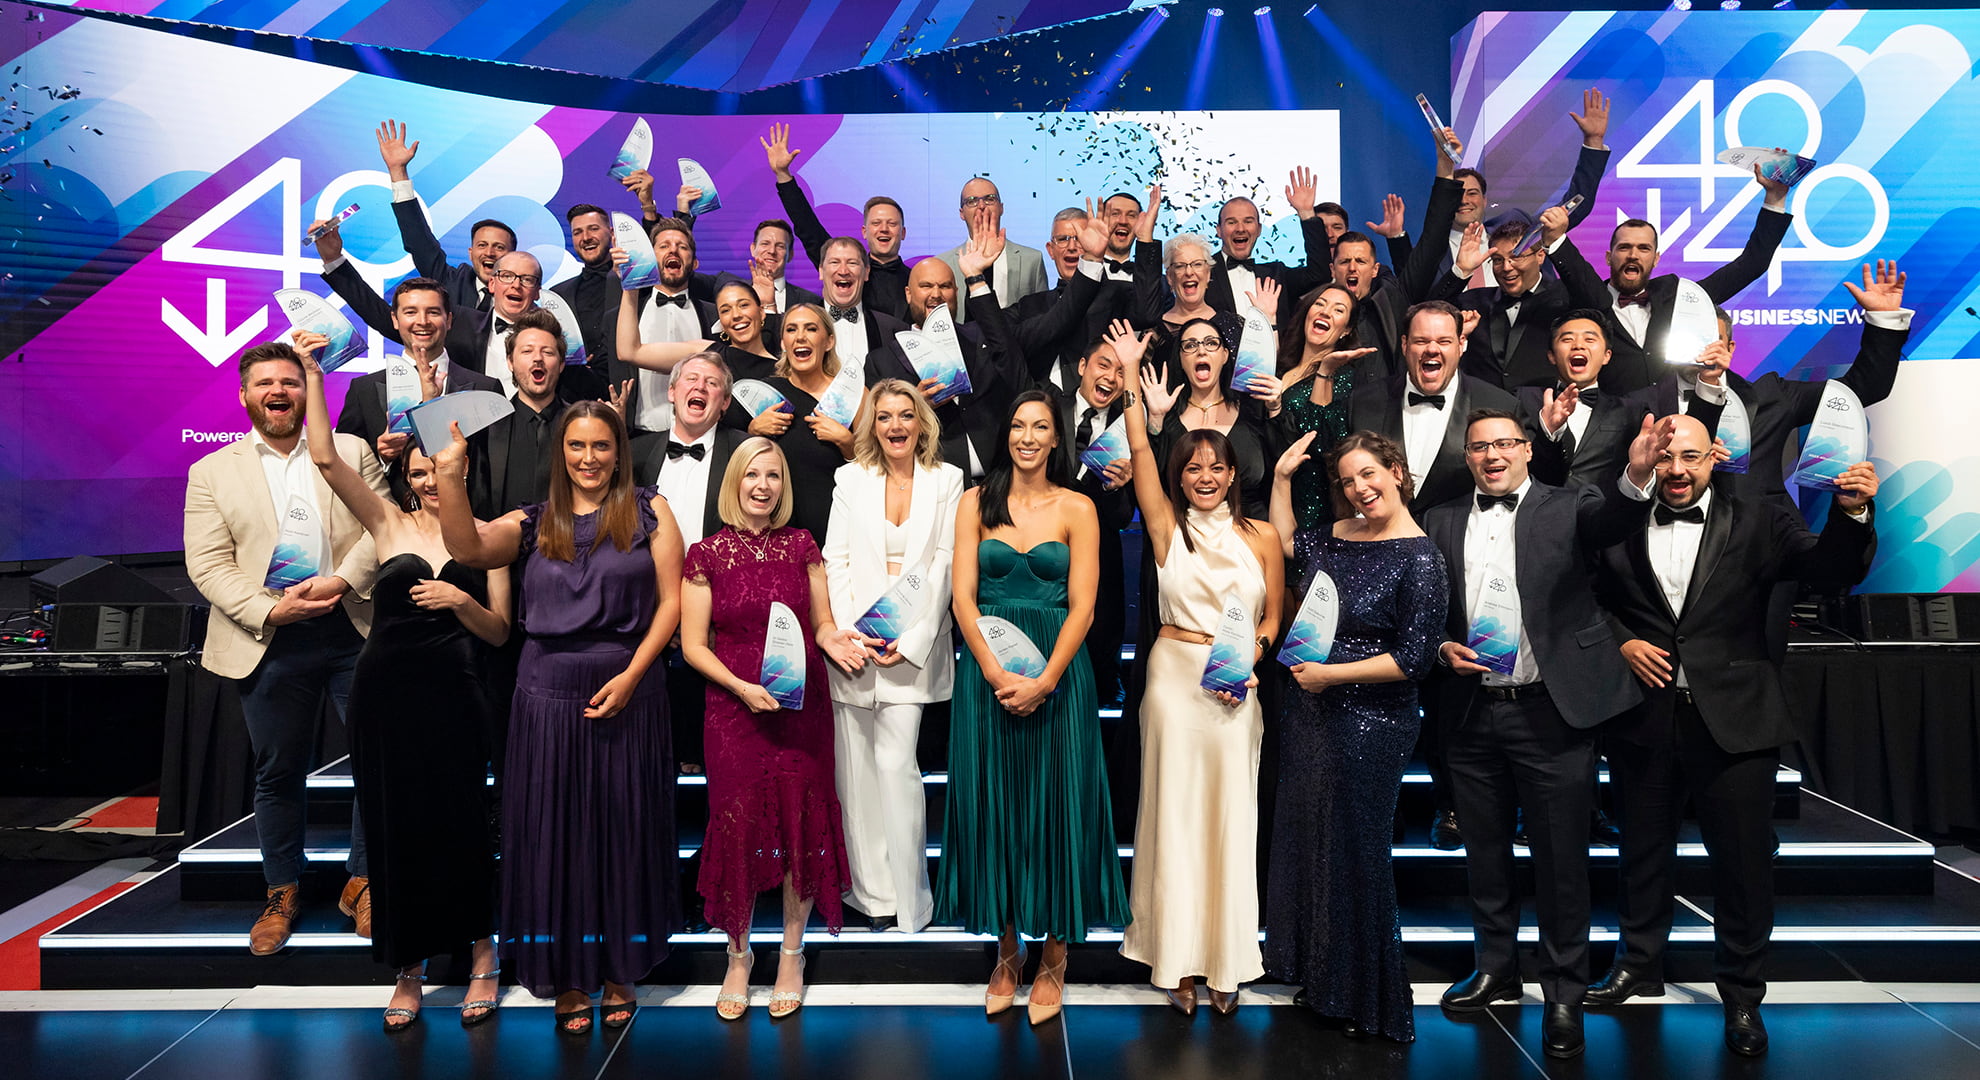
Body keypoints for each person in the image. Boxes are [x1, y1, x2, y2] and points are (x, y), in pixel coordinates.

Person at [1588, 415, 1879, 1058]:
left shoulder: (1761, 518)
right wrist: (1622, 641)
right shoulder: (1618, 517)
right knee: (1641, 851)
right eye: (1665, 459)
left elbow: (1827, 569)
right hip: (1643, 715)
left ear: (1714, 457)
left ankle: (1743, 994)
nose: (1677, 471)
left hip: (1738, 718)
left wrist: (1852, 512)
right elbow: (1579, 594)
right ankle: (1638, 965)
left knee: (1744, 865)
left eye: (1690, 457)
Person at [433, 400, 684, 1037]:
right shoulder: (531, 519)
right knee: (557, 832)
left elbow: (673, 604)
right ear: (561, 452)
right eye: (577, 446)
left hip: (631, 685)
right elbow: (466, 545)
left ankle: (619, 965)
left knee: (623, 829)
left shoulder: (652, 512)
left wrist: (631, 677)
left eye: (602, 446)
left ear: (619, 452)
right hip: (544, 694)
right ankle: (570, 973)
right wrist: (452, 476)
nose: (589, 458)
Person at [1423, 407, 1665, 1061]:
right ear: (1467, 457)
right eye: (1479, 446)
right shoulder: (1439, 518)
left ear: (1528, 450)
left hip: (1553, 711)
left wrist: (1637, 474)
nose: (1492, 454)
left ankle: (1564, 992)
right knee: (1486, 856)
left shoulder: (1572, 504)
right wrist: (1441, 645)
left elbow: (1616, 520)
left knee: (1563, 862)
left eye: (1504, 443)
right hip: (1472, 714)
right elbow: (1425, 609)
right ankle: (1497, 971)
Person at [296, 334, 505, 1031]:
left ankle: (481, 956)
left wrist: (461, 603)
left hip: (456, 699)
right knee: (394, 832)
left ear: (459, 470)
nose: (426, 479)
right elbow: (326, 456)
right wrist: (310, 371)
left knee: (464, 828)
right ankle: (407, 968)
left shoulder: (490, 535)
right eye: (417, 470)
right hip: (384, 698)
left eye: (439, 468)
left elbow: (501, 631)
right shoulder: (384, 525)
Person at [183, 341, 382, 953]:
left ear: (307, 391)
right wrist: (274, 607)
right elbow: (208, 565)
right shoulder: (211, 472)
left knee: (376, 759)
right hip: (268, 636)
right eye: (265, 383)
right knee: (278, 771)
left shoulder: (348, 451)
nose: (278, 392)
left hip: (353, 626)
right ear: (243, 395)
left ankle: (364, 880)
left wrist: (344, 579)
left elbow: (383, 526)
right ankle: (282, 889)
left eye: (290, 383)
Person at [938, 390, 1127, 1025]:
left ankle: (1054, 954)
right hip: (986, 675)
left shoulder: (1079, 506)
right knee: (996, 806)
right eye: (1018, 425)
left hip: (1058, 673)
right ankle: (1006, 950)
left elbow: (1085, 608)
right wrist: (991, 670)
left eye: (1039, 426)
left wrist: (1046, 679)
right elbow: (962, 598)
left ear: (1055, 439)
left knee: (1056, 805)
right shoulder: (975, 502)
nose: (1026, 435)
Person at [1114, 323, 1284, 1016]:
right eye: (1193, 469)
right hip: (1174, 679)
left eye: (1216, 468)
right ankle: (1175, 960)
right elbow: (1138, 451)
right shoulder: (1165, 527)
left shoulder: (1263, 536)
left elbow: (1276, 616)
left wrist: (1252, 656)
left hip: (1236, 685)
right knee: (1173, 817)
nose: (1205, 477)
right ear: (1180, 476)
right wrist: (1131, 378)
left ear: (1233, 473)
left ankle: (1226, 962)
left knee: (1230, 818)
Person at [1263, 429, 1448, 1041]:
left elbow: (1415, 658)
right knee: (1316, 844)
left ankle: (1369, 998)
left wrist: (1329, 677)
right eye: (1347, 481)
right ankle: (1325, 981)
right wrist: (1285, 479)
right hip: (1312, 713)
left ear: (1396, 471)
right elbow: (1290, 544)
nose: (1360, 489)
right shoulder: (1337, 537)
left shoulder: (1421, 556)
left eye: (1369, 474)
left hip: (1374, 719)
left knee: (1358, 853)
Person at [680, 437, 868, 1020]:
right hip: (733, 709)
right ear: (734, 481)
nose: (764, 486)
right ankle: (738, 957)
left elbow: (823, 624)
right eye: (753, 475)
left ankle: (791, 953)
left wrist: (842, 640)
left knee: (799, 825)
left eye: (775, 477)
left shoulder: (803, 546)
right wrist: (740, 688)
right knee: (736, 827)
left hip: (799, 709)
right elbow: (691, 645)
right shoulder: (705, 554)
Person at [822, 381, 964, 933]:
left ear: (921, 422)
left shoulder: (947, 480)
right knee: (855, 775)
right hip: (855, 647)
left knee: (895, 767)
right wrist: (853, 632)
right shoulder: (850, 479)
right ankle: (872, 896)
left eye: (907, 415)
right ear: (872, 425)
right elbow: (836, 559)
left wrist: (904, 640)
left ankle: (912, 902)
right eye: (885, 417)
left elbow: (944, 567)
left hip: (912, 649)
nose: (897, 426)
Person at [1542, 164, 1794, 395]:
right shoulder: (1587, 301)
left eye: (1643, 248)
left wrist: (1775, 198)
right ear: (1608, 257)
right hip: (1608, 431)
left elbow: (1751, 265)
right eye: (1624, 247)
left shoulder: (1679, 296)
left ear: (1656, 259)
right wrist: (1554, 238)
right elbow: (1577, 274)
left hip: (1674, 428)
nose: (1633, 255)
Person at [630, 351, 747, 779]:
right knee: (647, 752)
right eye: (691, 379)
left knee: (719, 755)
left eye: (712, 383)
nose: (700, 387)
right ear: (672, 391)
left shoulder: (744, 453)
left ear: (726, 401)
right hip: (642, 618)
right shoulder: (635, 452)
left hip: (720, 622)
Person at [1382, 87, 1612, 288]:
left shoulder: (1515, 230)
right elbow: (1408, 289)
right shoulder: (1431, 251)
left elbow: (1574, 207)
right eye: (1457, 195)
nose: (1464, 201)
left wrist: (1593, 141)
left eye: (1472, 193)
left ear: (1484, 200)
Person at [866, 225, 1025, 485]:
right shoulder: (881, 360)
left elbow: (1013, 366)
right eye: (926, 286)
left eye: (945, 286)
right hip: (933, 486)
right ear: (908, 294)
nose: (936, 294)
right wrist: (916, 406)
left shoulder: (981, 337)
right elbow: (876, 431)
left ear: (957, 293)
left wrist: (975, 277)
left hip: (1001, 480)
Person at [329, 277, 501, 467]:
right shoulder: (363, 390)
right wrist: (380, 456)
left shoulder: (486, 389)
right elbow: (343, 466)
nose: (422, 321)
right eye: (410, 312)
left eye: (433, 312)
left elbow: (495, 471)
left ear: (449, 320)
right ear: (395, 319)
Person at [1142, 295, 1285, 520]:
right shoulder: (1166, 415)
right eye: (1190, 345)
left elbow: (1283, 466)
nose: (1201, 351)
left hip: (1250, 534)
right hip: (1184, 536)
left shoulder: (1253, 409)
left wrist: (1275, 408)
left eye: (1211, 343)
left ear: (1225, 355)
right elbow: (1150, 482)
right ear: (1180, 358)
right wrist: (1156, 420)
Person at [1011, 199, 1161, 390]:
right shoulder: (1029, 304)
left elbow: (1148, 314)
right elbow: (1004, 340)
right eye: (1063, 239)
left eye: (1080, 238)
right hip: (1043, 409)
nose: (1072, 246)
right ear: (1050, 250)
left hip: (1104, 407)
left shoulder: (1116, 294)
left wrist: (1146, 239)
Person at [765, 122, 909, 319]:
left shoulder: (918, 279)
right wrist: (783, 175)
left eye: (892, 224)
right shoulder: (845, 268)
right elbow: (808, 227)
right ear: (864, 231)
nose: (883, 229)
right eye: (876, 223)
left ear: (903, 232)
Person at [373, 118, 513, 313]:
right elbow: (420, 243)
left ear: (512, 258)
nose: (489, 252)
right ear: (470, 253)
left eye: (499, 247)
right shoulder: (451, 284)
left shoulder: (523, 301)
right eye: (482, 245)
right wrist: (398, 171)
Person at [745, 302, 858, 543]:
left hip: (837, 528)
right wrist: (752, 431)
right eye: (792, 330)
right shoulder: (767, 393)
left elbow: (877, 469)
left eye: (810, 329)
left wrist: (847, 443)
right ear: (783, 343)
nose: (800, 338)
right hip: (774, 530)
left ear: (828, 341)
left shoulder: (853, 394)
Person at [614, 272, 780, 429]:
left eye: (743, 305)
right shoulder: (708, 355)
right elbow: (629, 351)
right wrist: (631, 289)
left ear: (761, 312)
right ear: (721, 321)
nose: (736, 315)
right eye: (725, 310)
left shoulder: (784, 365)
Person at [1274, 282, 1378, 529]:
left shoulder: (1343, 377)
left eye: (1338, 310)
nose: (1325, 312)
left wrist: (1325, 372)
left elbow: (1323, 444)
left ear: (1346, 330)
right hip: (1272, 494)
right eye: (1320, 304)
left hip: (1313, 510)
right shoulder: (1281, 367)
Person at [608, 217, 718, 437]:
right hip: (637, 436)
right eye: (664, 246)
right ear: (650, 257)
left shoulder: (714, 315)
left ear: (695, 263)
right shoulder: (617, 318)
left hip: (701, 434)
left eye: (682, 247)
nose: (673, 251)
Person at [1434, 219, 1576, 390]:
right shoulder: (1472, 302)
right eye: (1497, 260)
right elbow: (1428, 315)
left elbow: (1599, 300)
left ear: (1540, 255)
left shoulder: (1566, 298)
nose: (1506, 267)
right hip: (1483, 411)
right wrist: (1461, 270)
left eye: (1516, 257)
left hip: (1543, 410)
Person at [467, 309, 577, 519]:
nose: (538, 358)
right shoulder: (488, 428)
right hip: (502, 547)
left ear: (562, 364)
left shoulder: (580, 424)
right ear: (510, 362)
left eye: (548, 352)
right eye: (527, 351)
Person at [1205, 170, 1334, 329]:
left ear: (1259, 229)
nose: (1240, 228)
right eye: (1231, 222)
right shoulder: (1203, 272)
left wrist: (1306, 213)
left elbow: (1319, 274)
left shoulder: (1276, 274)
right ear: (1219, 230)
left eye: (1248, 221)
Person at [937, 176, 1048, 319]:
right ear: (961, 213)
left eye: (989, 199)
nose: (981, 206)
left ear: (1001, 208)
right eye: (972, 201)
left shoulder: (1032, 260)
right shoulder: (943, 263)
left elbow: (1041, 319)